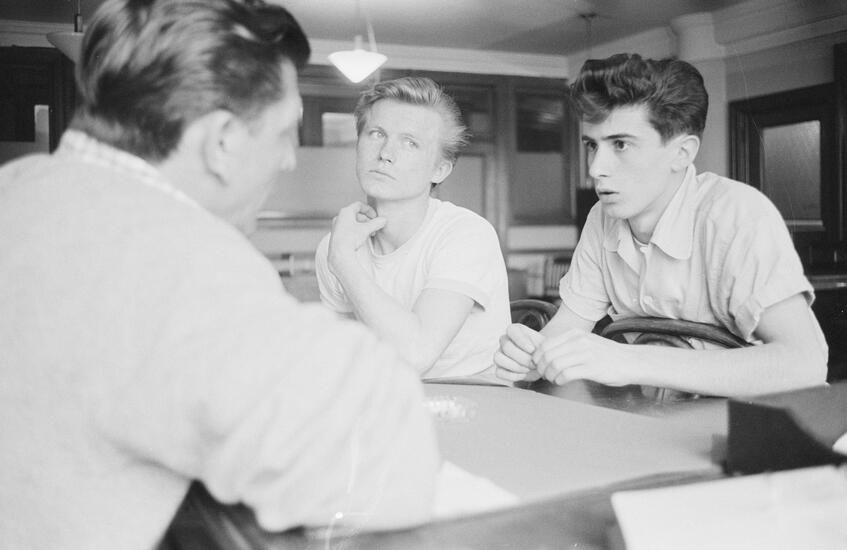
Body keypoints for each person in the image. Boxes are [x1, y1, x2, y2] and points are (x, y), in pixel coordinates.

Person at [0, 1, 440, 548]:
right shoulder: (189, 260)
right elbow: (385, 463)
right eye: (285, 131)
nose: (288, 160)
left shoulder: (16, 184)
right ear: (223, 140)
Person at [494, 53, 828, 397]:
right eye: (592, 145)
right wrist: (532, 357)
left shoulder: (736, 215)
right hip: (657, 417)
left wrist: (628, 360)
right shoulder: (602, 217)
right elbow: (567, 328)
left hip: (755, 421)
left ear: (682, 153)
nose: (595, 169)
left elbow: (805, 363)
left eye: (620, 144)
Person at [314, 77, 511, 381]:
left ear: (440, 169)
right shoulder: (335, 245)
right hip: (388, 398)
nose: (385, 153)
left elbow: (416, 355)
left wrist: (343, 262)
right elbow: (343, 359)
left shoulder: (467, 234)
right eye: (377, 134)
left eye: (410, 143)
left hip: (479, 399)